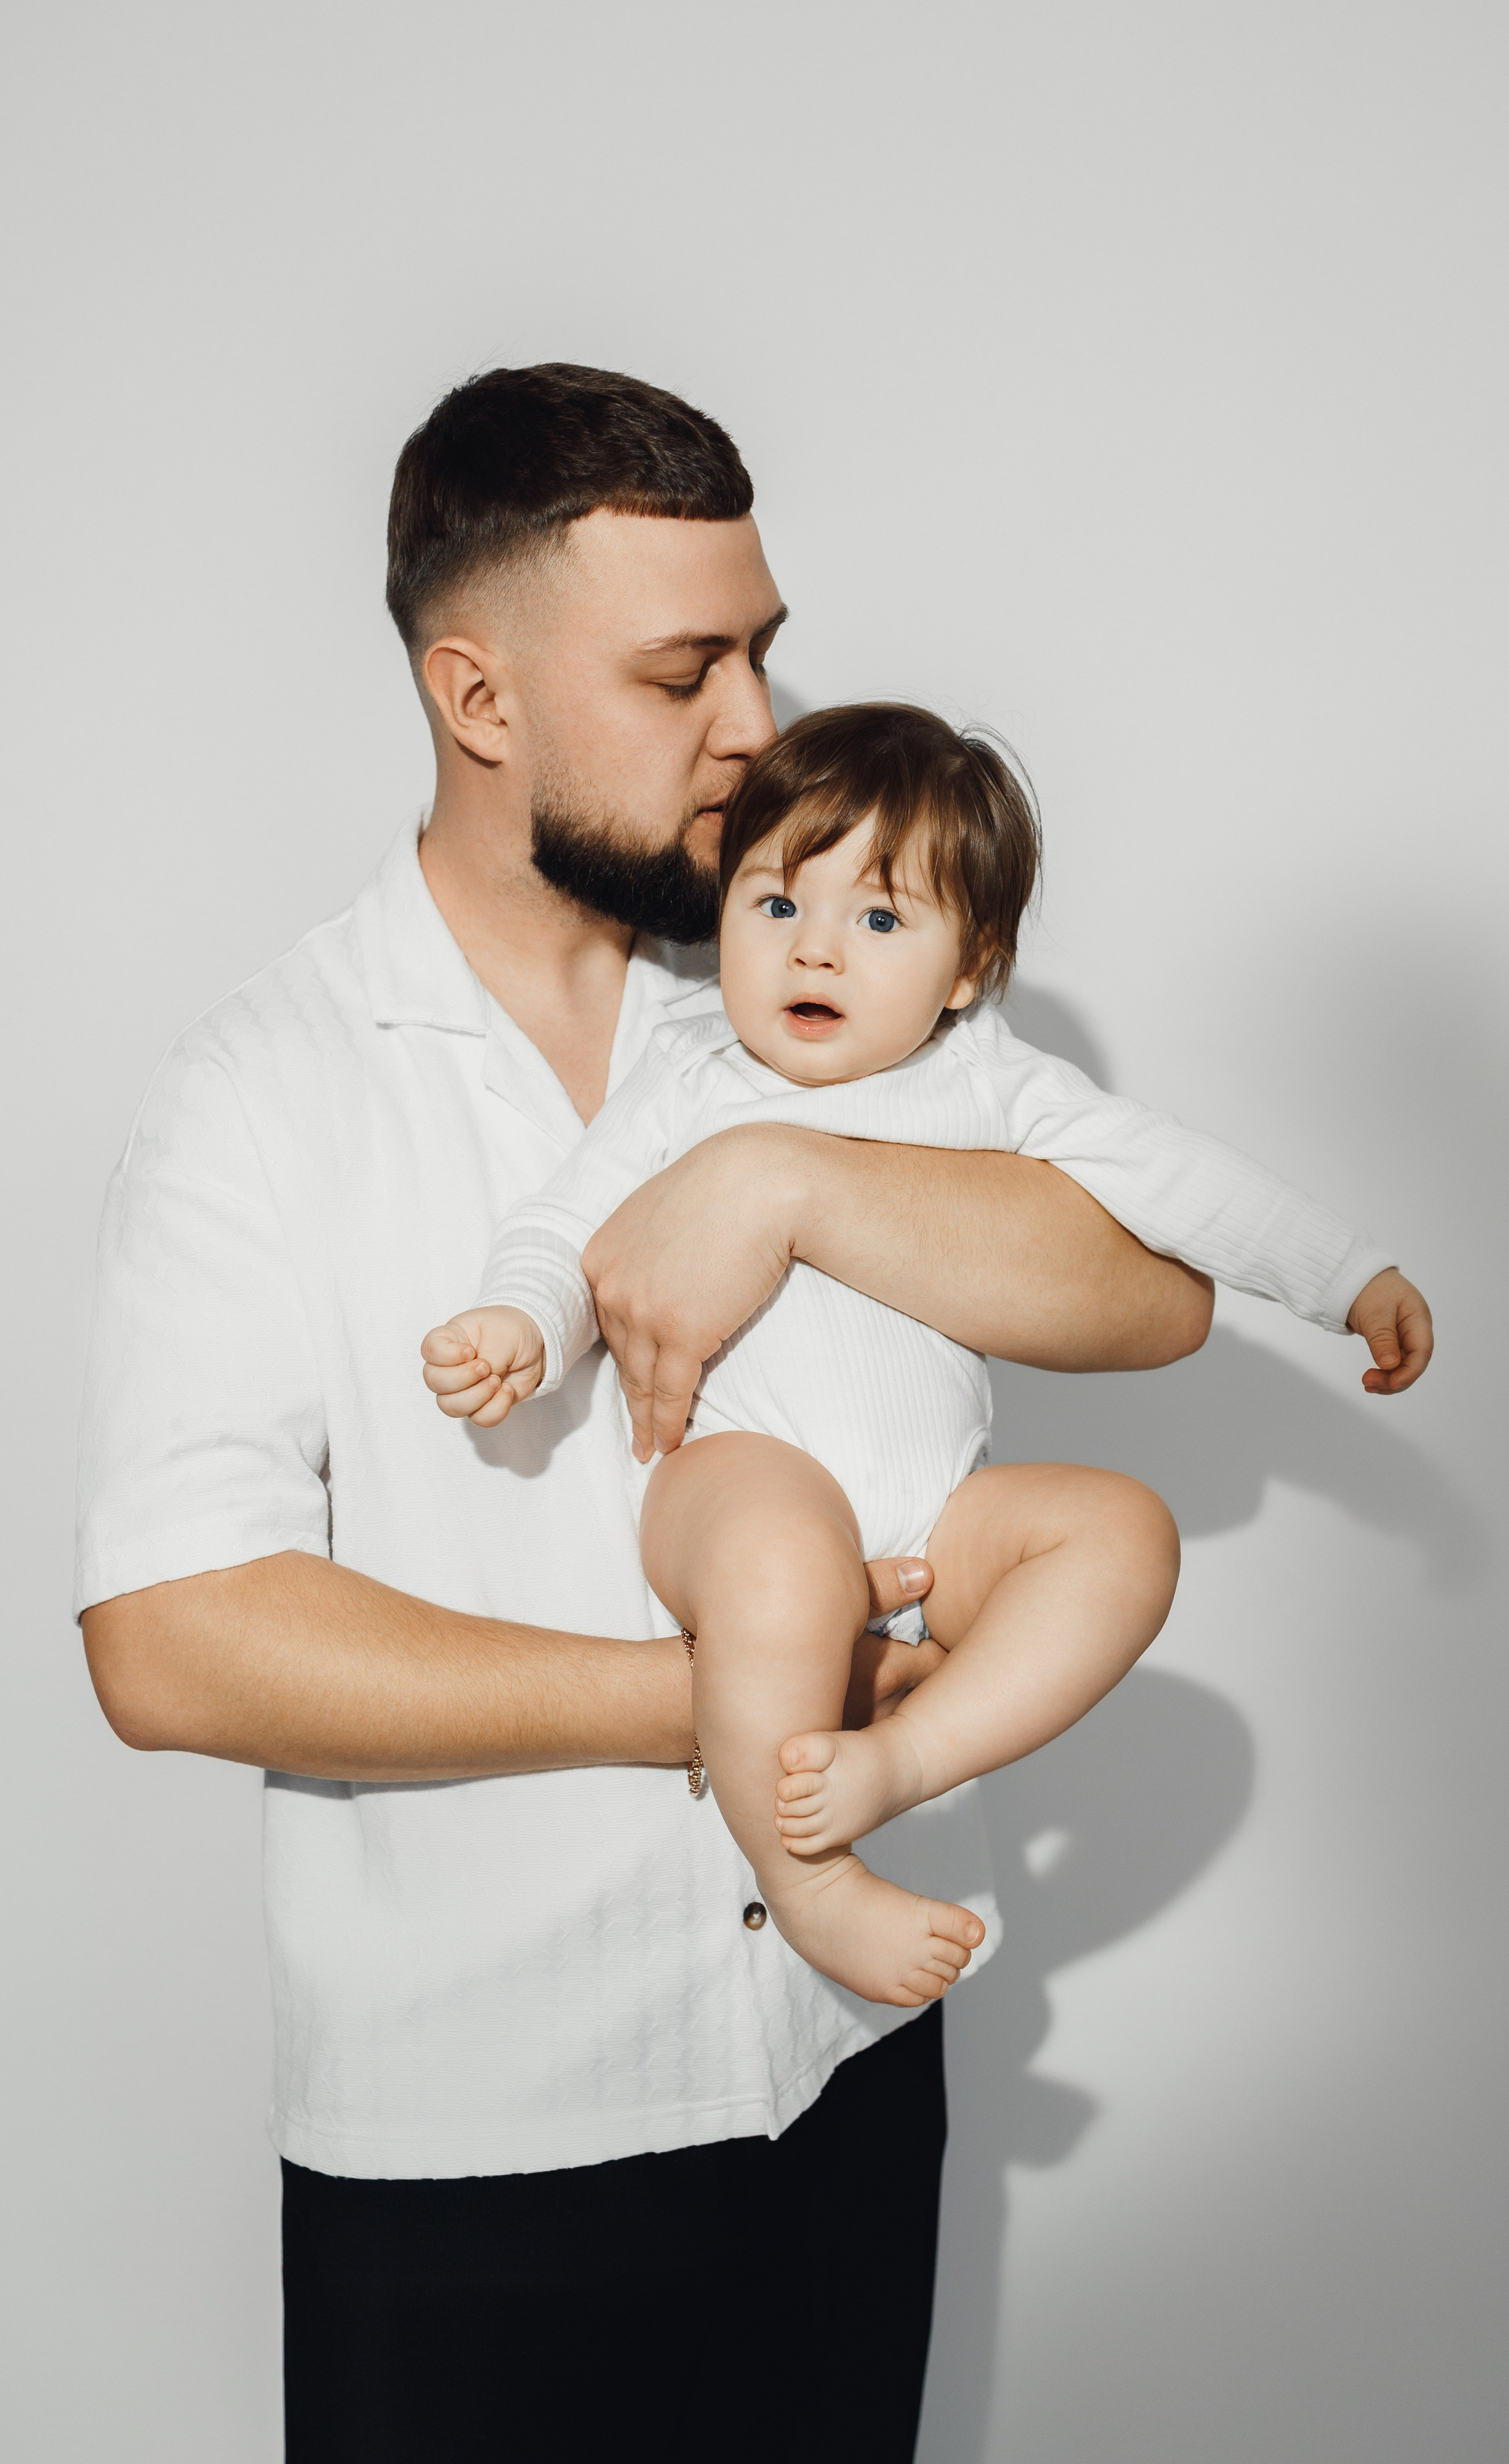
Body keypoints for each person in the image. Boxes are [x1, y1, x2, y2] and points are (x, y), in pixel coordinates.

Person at [78, 364, 1252, 2461]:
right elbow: (172, 1642)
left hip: (842, 2063)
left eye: (767, 649)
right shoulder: (259, 1093)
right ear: (480, 695)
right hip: (479, 2140)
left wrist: (786, 1179)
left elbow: (1153, 1302)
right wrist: (724, 1708)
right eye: (684, 667)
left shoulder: (820, 986)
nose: (756, 726)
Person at [423, 702, 1432, 2015]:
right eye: (775, 905)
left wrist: (1342, 1275)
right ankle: (807, 1876)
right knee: (779, 1563)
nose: (817, 950)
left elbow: (1174, 1179)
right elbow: (574, 1219)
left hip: (935, 1518)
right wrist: (522, 1318)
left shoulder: (989, 1085)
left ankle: (902, 1760)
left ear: (968, 971)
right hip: (735, 1478)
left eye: (881, 921)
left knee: (1119, 1531)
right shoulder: (683, 1074)